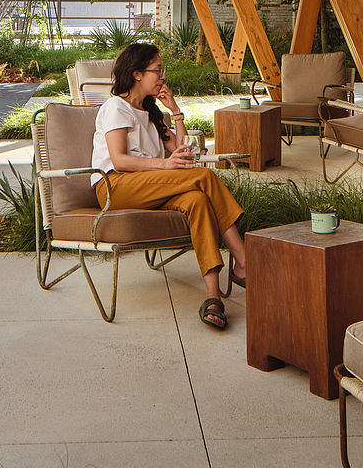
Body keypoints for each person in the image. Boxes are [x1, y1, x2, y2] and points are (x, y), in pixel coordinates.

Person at [91, 42, 247, 331]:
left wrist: (174, 111)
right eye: (157, 70)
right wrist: (165, 165)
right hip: (114, 187)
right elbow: (119, 160)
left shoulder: (150, 113)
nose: (162, 76)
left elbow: (185, 153)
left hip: (149, 186)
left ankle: (213, 297)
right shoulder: (116, 107)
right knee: (205, 177)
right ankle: (243, 259)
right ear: (137, 73)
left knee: (197, 201)